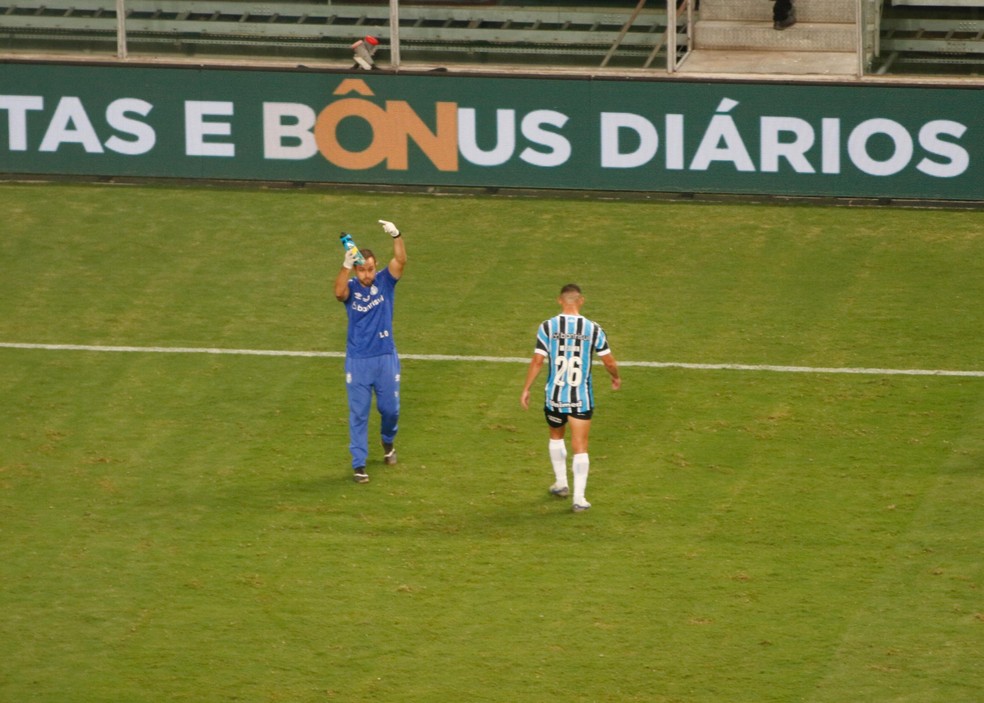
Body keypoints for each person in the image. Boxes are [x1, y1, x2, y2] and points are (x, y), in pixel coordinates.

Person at [520, 284, 621, 512]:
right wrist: (615, 377)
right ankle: (579, 499)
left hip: (554, 396)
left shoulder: (547, 326)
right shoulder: (593, 328)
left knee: (556, 436)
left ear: (559, 300)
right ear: (581, 300)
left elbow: (537, 360)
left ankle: (561, 483)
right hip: (580, 398)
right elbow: (609, 361)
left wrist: (526, 388)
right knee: (580, 446)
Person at [334, 219, 406, 483]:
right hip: (359, 362)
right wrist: (344, 264)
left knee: (391, 410)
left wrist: (396, 235)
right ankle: (359, 464)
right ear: (356, 270)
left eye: (371, 269)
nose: (367, 274)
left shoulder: (385, 282)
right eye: (362, 270)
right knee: (359, 413)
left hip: (385, 357)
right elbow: (338, 292)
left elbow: (400, 262)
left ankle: (388, 442)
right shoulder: (351, 288)